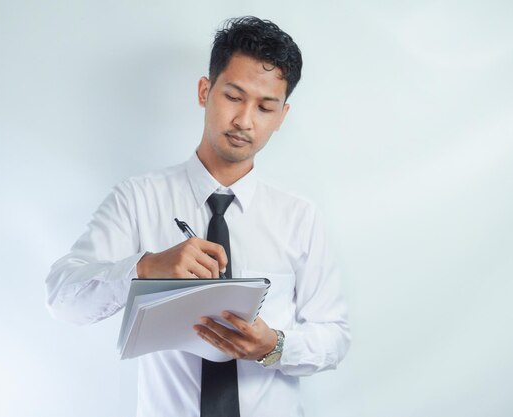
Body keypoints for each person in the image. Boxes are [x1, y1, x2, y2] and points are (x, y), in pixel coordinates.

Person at [46, 16, 350, 417]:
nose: (245, 120)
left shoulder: (299, 217)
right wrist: (147, 267)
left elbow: (334, 336)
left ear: (281, 117)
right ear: (205, 91)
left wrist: (272, 346)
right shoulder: (138, 199)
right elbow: (63, 299)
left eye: (264, 106)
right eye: (234, 96)